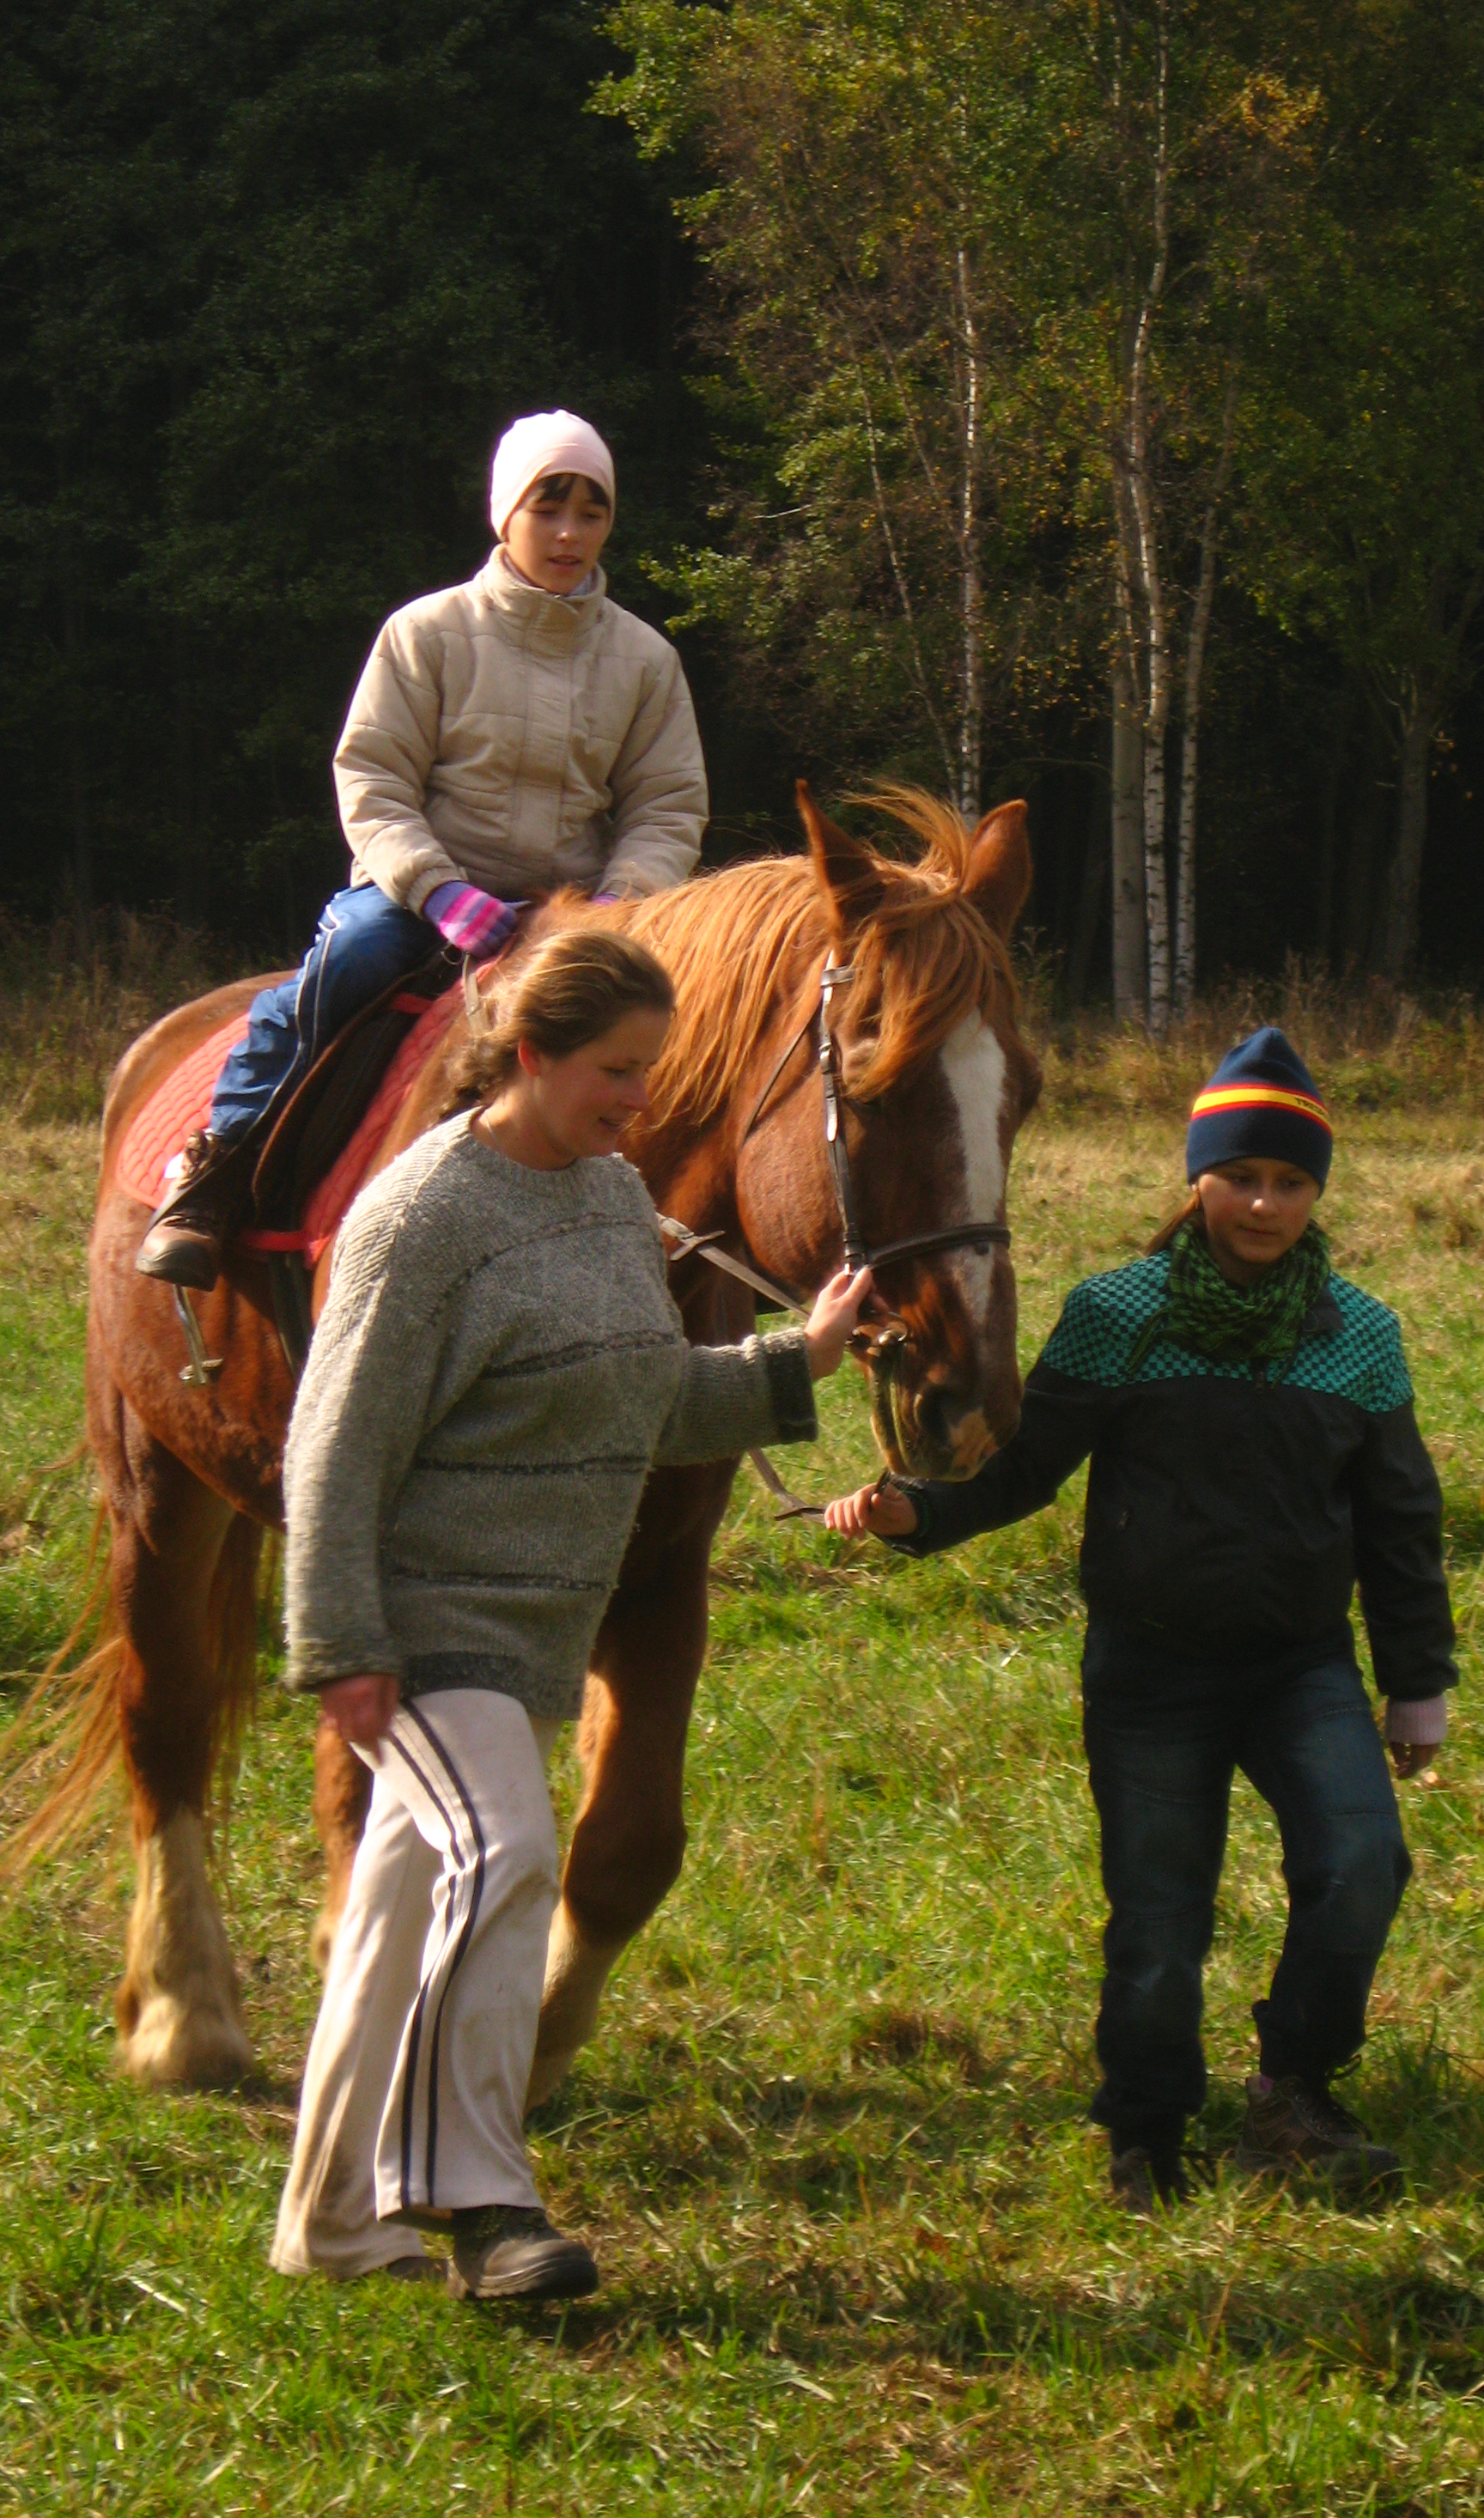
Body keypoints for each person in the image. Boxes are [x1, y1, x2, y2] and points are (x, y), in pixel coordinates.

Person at [270, 926, 873, 2297]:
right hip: (425, 1629)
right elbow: (333, 1448)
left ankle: (331, 2224)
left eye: (651, 1071)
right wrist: (344, 1646)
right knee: (509, 1853)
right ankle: (476, 2198)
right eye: (615, 1070)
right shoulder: (420, 1221)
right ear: (529, 1056)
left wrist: (802, 1361)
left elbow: (647, 1399)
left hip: (534, 1638)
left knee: (403, 1905)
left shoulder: (610, 1199)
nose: (639, 1101)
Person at [823, 1026, 1457, 2215]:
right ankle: (1147, 2124)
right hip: (1153, 1675)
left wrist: (1415, 1682)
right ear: (1196, 1178)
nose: (1263, 1203)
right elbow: (1027, 1473)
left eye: (1290, 1180)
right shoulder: (1118, 1316)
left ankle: (1295, 2091)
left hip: (1301, 1667)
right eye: (1241, 1177)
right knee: (1162, 1916)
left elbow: (1400, 1525)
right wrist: (919, 1512)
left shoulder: (1360, 1337)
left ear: (1319, 1190)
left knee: (1364, 1863)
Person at [137, 410, 709, 1289]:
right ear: (503, 515)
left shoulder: (645, 660)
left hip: (578, 911)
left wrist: (618, 902)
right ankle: (215, 1178)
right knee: (347, 965)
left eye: (590, 512)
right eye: (546, 507)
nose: (568, 533)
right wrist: (436, 888)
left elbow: (668, 805)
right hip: (420, 900)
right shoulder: (425, 633)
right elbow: (371, 778)